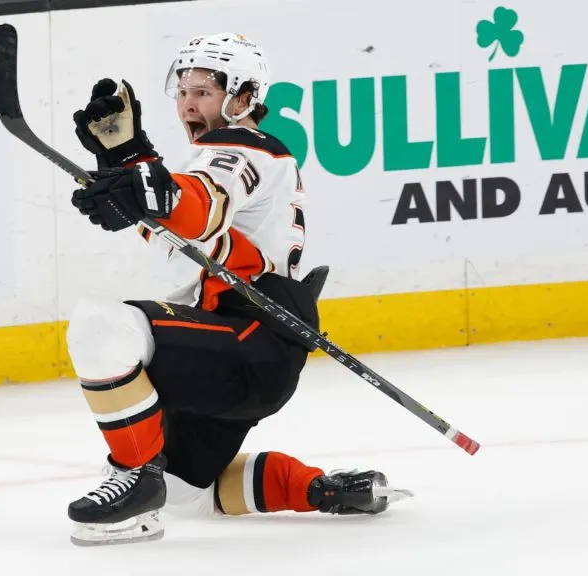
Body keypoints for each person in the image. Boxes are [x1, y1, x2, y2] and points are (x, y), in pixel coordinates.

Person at [64, 32, 411, 547]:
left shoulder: (246, 146)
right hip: (239, 354)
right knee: (185, 493)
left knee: (101, 328)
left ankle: (134, 475)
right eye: (182, 92)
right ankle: (318, 488)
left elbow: (199, 209)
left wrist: (141, 179)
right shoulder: (209, 161)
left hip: (248, 337)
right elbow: (177, 224)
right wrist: (127, 159)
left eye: (202, 91)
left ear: (244, 98)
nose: (187, 103)